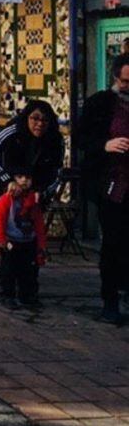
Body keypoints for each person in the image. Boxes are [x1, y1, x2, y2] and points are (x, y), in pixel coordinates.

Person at [77, 54, 129, 324]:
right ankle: (110, 301)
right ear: (115, 78)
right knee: (113, 242)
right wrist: (105, 145)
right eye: (125, 81)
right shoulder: (101, 102)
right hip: (112, 184)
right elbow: (80, 137)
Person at [0, 100, 63, 199]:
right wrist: (7, 180)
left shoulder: (55, 138)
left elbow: (57, 169)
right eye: (35, 118)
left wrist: (43, 192)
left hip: (37, 195)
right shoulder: (13, 131)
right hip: (9, 191)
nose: (40, 124)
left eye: (45, 120)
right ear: (27, 117)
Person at [0, 169, 47, 310]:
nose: (24, 180)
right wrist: (1, 240)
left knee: (30, 272)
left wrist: (41, 244)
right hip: (11, 241)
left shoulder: (34, 199)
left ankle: (27, 296)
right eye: (20, 177)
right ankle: (8, 295)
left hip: (29, 240)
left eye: (27, 177)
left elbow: (39, 223)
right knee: (9, 271)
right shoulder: (6, 199)